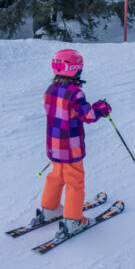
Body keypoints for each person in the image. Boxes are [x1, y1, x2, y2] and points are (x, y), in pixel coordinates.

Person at [33, 48, 111, 239]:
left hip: (54, 146)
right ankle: (73, 220)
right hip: (70, 148)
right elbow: (88, 116)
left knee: (56, 176)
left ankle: (50, 209)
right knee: (75, 182)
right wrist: (101, 108)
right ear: (75, 70)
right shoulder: (75, 93)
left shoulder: (50, 90)